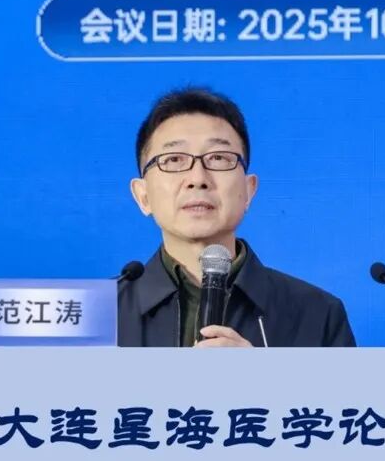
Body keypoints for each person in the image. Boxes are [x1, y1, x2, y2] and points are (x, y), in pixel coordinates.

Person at [118, 87, 355, 348]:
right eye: (174, 159)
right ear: (143, 196)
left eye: (218, 158)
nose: (197, 179)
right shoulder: (97, 312)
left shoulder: (318, 314)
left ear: (249, 191)